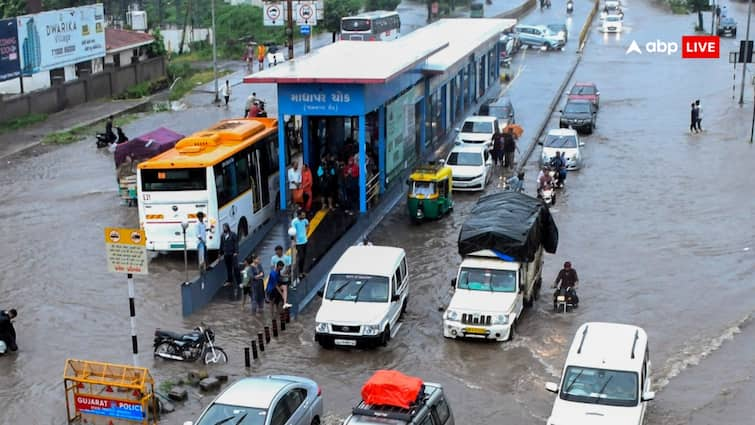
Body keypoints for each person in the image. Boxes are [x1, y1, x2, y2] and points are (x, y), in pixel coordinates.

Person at [219, 223, 239, 289]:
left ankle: (239, 282)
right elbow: (221, 245)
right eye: (223, 227)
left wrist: (236, 252)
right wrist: (220, 253)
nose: (224, 228)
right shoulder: (222, 236)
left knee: (236, 268)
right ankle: (230, 281)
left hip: (232, 254)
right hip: (226, 254)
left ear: (228, 227)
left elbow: (236, 243)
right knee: (229, 268)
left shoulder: (233, 234)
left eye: (225, 227)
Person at [291, 209, 310, 281]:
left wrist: (306, 233)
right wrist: (295, 241)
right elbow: (294, 232)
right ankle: (299, 272)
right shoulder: (294, 222)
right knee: (301, 257)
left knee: (304, 257)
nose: (304, 216)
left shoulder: (305, 220)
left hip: (305, 241)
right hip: (298, 243)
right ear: (299, 215)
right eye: (302, 215)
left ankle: (302, 271)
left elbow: (308, 225)